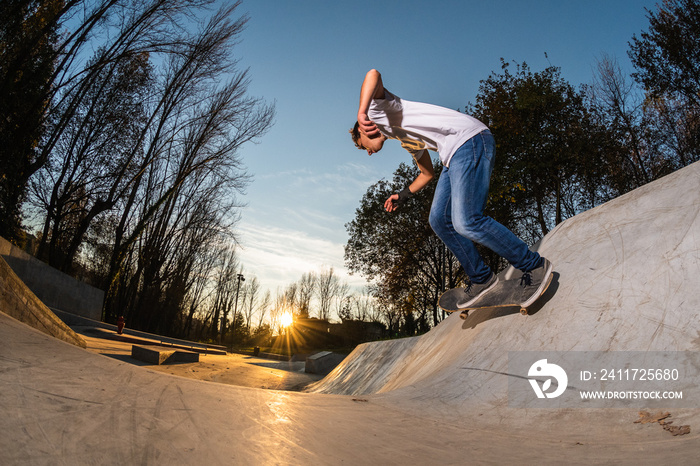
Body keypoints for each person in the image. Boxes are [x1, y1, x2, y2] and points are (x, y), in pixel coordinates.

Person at [350, 69, 552, 308]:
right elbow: (427, 174)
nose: (369, 153)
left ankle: (534, 265)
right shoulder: (407, 140)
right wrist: (402, 195)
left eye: (363, 148)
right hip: (452, 157)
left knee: (467, 221)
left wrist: (362, 111)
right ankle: (481, 278)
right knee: (439, 219)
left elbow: (373, 74)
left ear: (361, 130)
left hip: (469, 141)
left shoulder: (376, 110)